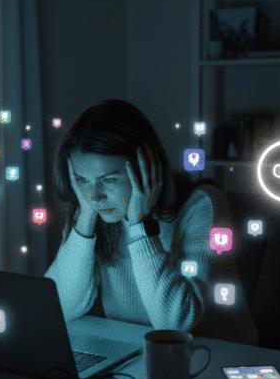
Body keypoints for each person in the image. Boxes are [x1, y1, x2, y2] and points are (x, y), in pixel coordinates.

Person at [45, 99, 257, 345]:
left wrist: (140, 225)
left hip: (217, 355)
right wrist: (85, 221)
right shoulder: (89, 209)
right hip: (135, 351)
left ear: (147, 167)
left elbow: (174, 323)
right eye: (82, 179)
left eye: (109, 180)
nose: (95, 197)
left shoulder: (202, 205)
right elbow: (61, 307)